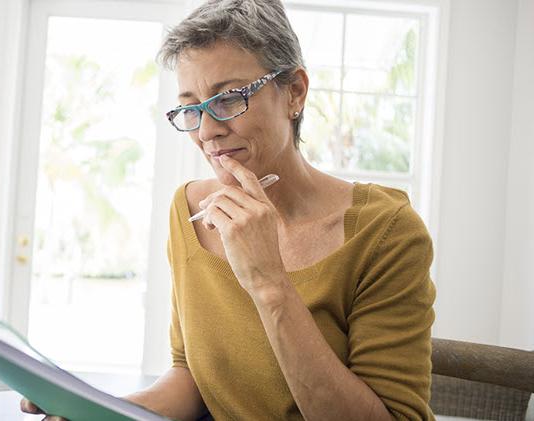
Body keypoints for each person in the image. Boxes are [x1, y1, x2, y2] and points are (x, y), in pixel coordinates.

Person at [23, 0, 436, 419]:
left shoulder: (386, 232)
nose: (206, 132)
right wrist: (98, 413)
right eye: (191, 107)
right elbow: (192, 378)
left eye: (229, 99)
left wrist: (269, 283)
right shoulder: (189, 211)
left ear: (294, 92)